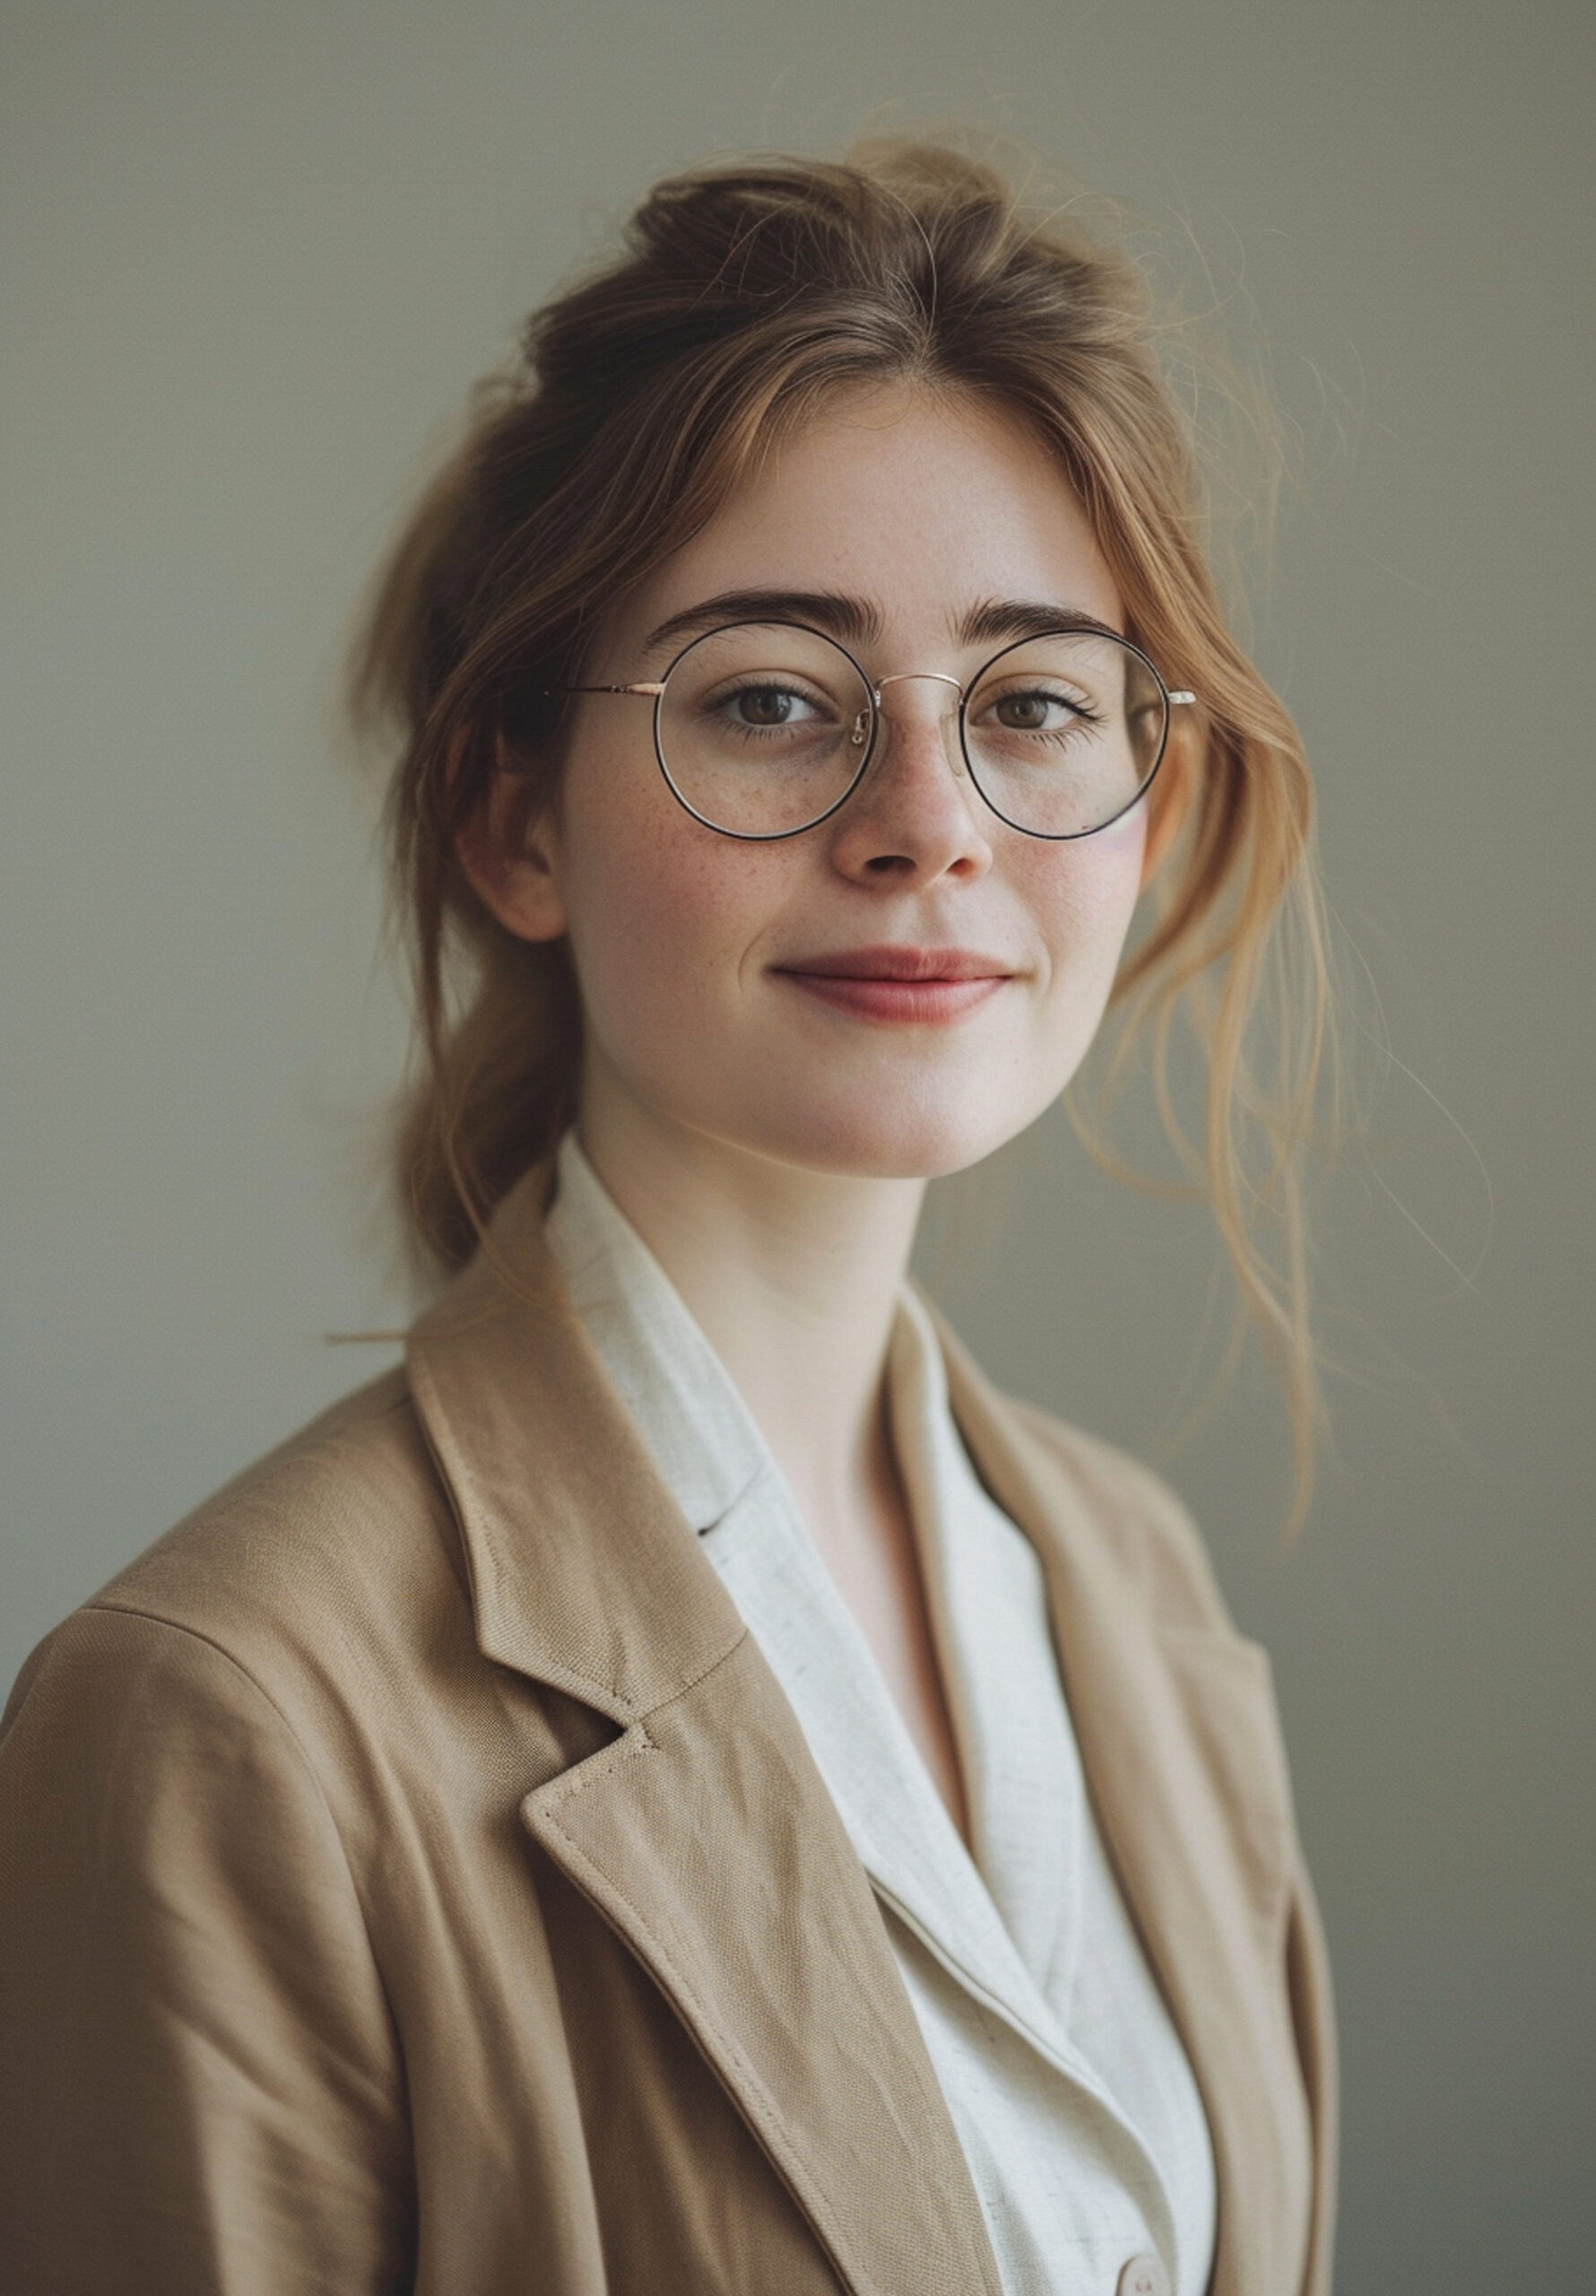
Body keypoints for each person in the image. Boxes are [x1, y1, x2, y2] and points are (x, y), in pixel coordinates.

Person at [0, 143, 1336, 2296]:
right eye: (770, 698)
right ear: (509, 817)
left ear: (1145, 813)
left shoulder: (1138, 1601)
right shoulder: (224, 1718)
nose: (925, 825)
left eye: (1030, 705)